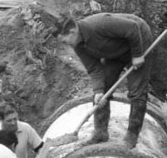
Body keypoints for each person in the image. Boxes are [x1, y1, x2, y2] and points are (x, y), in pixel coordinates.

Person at [58, 12, 154, 149]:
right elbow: (94, 69)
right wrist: (98, 91)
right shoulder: (79, 45)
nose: (65, 45)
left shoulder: (99, 24)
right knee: (104, 88)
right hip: (114, 50)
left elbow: (133, 28)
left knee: (137, 91)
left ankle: (131, 137)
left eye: (64, 41)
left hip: (138, 39)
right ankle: (100, 133)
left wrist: (137, 55)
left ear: (72, 32)